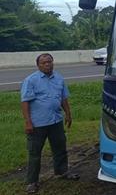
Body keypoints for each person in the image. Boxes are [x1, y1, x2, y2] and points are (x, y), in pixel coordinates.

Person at [20, 54, 79, 194]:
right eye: (44, 62)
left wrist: (68, 114)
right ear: (38, 65)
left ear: (53, 63)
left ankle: (62, 171)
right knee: (35, 153)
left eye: (49, 62)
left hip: (56, 121)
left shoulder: (59, 78)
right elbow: (25, 102)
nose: (47, 64)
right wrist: (28, 122)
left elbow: (63, 98)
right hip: (38, 124)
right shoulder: (31, 80)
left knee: (60, 148)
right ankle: (32, 182)